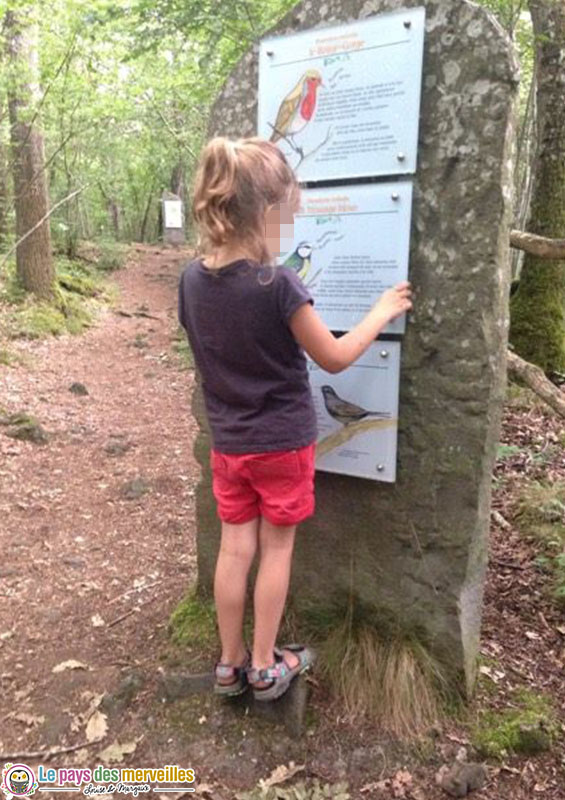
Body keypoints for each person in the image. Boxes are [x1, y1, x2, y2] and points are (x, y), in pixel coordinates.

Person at [178, 136, 413, 701]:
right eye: (289, 214)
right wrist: (380, 311)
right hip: (282, 444)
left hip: (230, 444)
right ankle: (265, 665)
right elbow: (331, 356)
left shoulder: (190, 279)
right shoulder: (277, 284)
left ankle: (228, 664)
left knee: (235, 549)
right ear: (265, 213)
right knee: (276, 549)